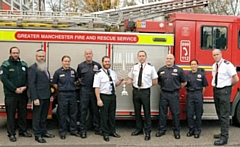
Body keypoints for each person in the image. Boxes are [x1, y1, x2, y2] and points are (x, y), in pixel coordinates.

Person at [124, 50, 158, 141]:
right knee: (137, 111)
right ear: (137, 57)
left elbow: (155, 81)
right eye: (140, 56)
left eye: (143, 56)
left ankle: (147, 132)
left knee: (147, 112)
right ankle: (139, 129)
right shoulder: (134, 67)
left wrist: (147, 84)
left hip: (145, 92)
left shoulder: (151, 67)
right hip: (136, 91)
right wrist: (127, 82)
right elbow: (131, 78)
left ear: (146, 57)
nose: (141, 57)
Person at [0, 46, 32, 142]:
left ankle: (23, 131)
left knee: (23, 113)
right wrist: (14, 89)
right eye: (14, 53)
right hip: (11, 95)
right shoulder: (5, 65)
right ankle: (11, 133)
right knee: (11, 114)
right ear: (10, 54)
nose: (15, 54)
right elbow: (4, 79)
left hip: (22, 93)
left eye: (17, 53)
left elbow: (28, 78)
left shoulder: (23, 65)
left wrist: (25, 87)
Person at [93, 56, 124, 142]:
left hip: (112, 96)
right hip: (104, 96)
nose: (107, 63)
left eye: (108, 61)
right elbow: (96, 88)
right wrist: (98, 99)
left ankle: (112, 131)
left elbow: (115, 84)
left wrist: (120, 81)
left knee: (112, 115)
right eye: (105, 62)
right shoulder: (98, 74)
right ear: (102, 63)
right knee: (103, 116)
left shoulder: (113, 73)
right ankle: (105, 133)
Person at [211, 49, 239, 146]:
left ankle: (224, 137)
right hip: (216, 90)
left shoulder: (228, 65)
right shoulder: (214, 65)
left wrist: (228, 86)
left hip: (224, 91)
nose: (216, 56)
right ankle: (223, 132)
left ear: (221, 54)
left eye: (217, 54)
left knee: (224, 114)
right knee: (219, 112)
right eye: (214, 55)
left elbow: (236, 79)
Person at [156, 54, 187, 139]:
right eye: (167, 58)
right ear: (165, 60)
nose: (168, 60)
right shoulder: (161, 70)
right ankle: (162, 130)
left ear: (174, 59)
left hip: (174, 94)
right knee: (163, 113)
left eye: (170, 58)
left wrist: (177, 88)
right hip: (164, 94)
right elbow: (158, 82)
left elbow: (184, 82)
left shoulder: (179, 70)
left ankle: (176, 131)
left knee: (175, 113)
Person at [28, 49, 55, 143]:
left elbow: (47, 83)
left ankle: (44, 132)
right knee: (37, 117)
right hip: (38, 98)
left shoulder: (44, 68)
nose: (42, 58)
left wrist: (50, 94)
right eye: (40, 56)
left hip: (46, 96)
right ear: (36, 57)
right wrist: (35, 98)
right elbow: (32, 84)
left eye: (43, 56)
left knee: (44, 116)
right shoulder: (33, 68)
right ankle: (37, 135)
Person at [52, 55, 80, 139]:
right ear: (62, 62)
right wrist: (61, 89)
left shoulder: (73, 71)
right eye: (65, 61)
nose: (67, 63)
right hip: (62, 95)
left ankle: (73, 130)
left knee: (73, 114)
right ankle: (62, 132)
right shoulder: (58, 72)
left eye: (68, 61)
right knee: (62, 114)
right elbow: (54, 83)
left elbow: (77, 80)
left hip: (72, 94)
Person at [77, 49, 102, 138]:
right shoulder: (80, 66)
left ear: (92, 55)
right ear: (84, 55)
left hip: (95, 90)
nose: (88, 55)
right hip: (84, 91)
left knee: (95, 110)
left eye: (90, 54)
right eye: (87, 54)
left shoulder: (97, 65)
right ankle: (83, 130)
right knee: (83, 111)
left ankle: (97, 129)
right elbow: (79, 78)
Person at [185, 59, 208, 139]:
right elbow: (185, 86)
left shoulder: (201, 75)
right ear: (190, 66)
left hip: (198, 95)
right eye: (192, 64)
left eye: (195, 64)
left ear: (197, 65)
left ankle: (197, 131)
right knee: (190, 114)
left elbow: (204, 86)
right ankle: (191, 130)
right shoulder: (187, 75)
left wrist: (200, 95)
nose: (193, 65)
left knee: (198, 114)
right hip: (190, 95)